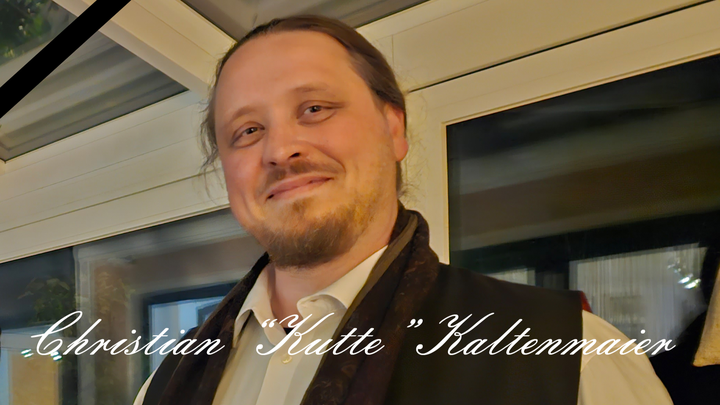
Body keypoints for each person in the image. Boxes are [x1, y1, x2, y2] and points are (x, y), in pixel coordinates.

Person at [134, 15, 672, 405]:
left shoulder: (573, 358)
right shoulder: (161, 384)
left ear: (394, 129)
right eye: (248, 130)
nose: (280, 149)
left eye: (314, 108)